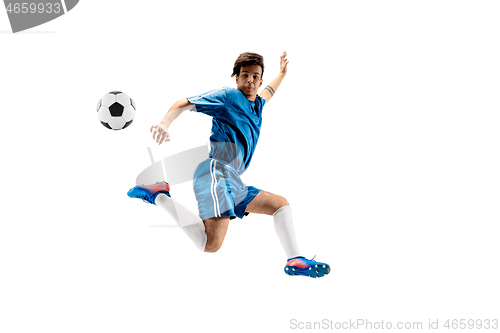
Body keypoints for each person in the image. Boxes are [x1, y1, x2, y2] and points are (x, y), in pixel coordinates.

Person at [128, 52, 330, 278]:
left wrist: (282, 73)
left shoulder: (258, 106)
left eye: (256, 76)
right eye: (245, 75)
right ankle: (159, 195)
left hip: (233, 179)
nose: (250, 81)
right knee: (210, 245)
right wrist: (165, 123)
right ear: (237, 78)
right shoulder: (227, 97)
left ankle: (295, 260)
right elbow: (184, 102)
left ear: (261, 80)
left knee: (280, 205)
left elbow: (268, 92)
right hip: (215, 171)